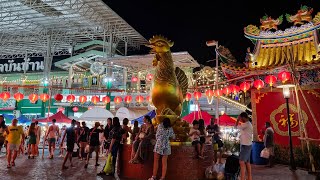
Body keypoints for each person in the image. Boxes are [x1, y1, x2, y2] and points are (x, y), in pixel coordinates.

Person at [235, 112, 253, 180]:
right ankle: (249, 178)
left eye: (240, 118)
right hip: (248, 145)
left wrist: (237, 120)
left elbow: (236, 127)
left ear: (243, 117)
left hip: (245, 145)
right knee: (247, 163)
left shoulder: (246, 124)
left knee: (241, 162)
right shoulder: (248, 124)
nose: (240, 120)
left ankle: (242, 178)